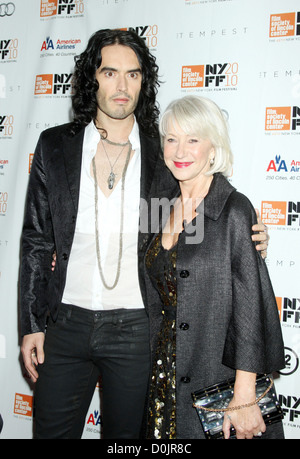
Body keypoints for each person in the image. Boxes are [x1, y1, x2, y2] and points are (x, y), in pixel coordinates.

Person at [20, 29, 269, 439]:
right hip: (65, 322)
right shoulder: (54, 147)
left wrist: (252, 234)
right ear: (92, 78)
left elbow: (207, 205)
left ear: (143, 81)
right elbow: (36, 241)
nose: (122, 86)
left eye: (133, 75)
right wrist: (31, 322)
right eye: (110, 73)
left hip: (137, 328)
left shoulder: (164, 152)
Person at [143, 95, 285, 440]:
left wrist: (245, 395)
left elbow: (250, 307)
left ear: (213, 147)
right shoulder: (159, 205)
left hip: (214, 377)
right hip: (160, 376)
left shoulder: (233, 209)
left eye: (193, 139)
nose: (180, 150)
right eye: (171, 139)